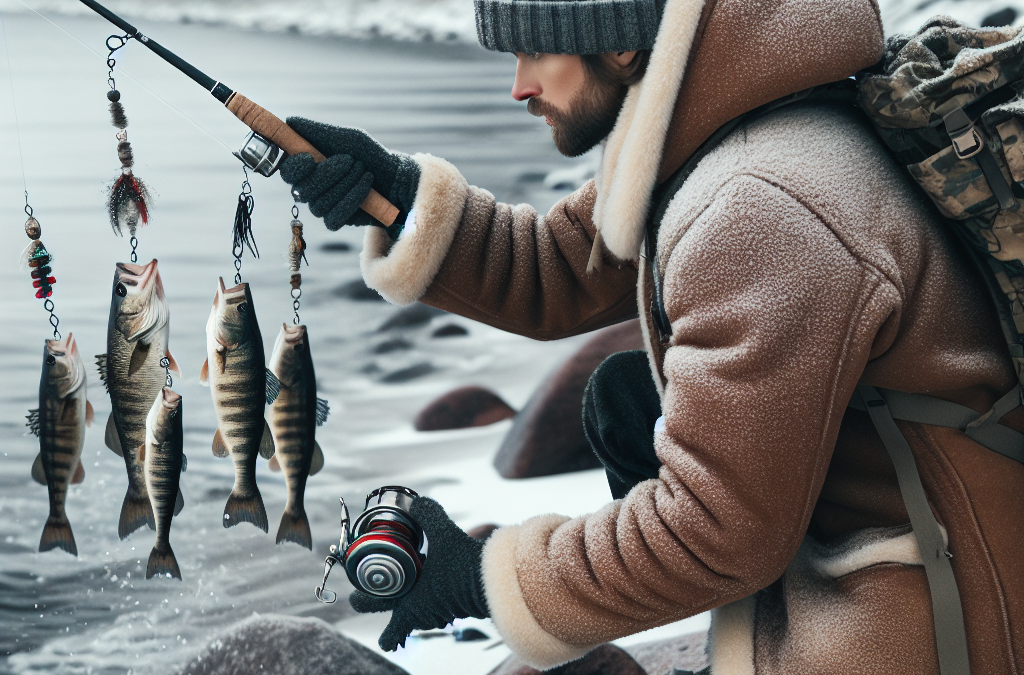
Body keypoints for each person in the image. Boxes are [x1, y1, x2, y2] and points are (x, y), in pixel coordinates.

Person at [281, 0, 1024, 672]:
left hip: (936, 628)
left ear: (624, 49)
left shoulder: (759, 206)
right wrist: (396, 199)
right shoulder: (746, 125)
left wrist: (480, 576)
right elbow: (559, 270)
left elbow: (713, 532)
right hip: (885, 551)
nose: (519, 86)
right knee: (626, 396)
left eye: (540, 53)